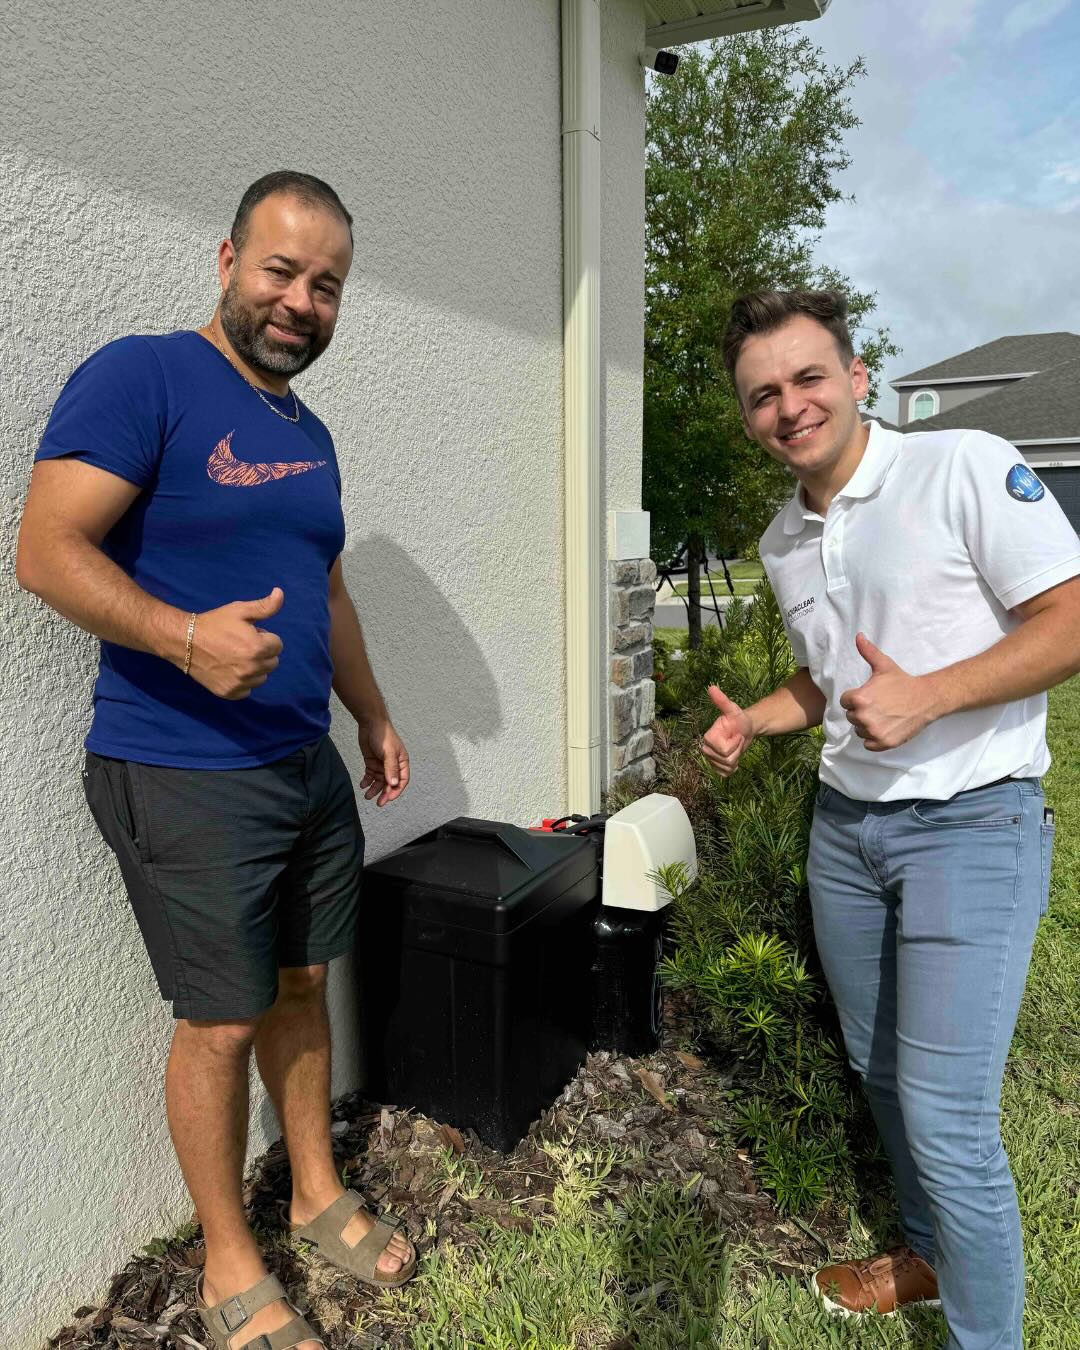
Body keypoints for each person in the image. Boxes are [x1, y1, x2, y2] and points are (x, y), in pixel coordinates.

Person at [17, 172, 417, 1350]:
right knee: (220, 1023)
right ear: (228, 259)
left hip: (298, 762)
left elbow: (328, 588)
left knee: (302, 985)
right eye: (281, 271)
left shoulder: (311, 432)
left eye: (326, 285)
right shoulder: (143, 376)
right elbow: (44, 550)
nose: (300, 301)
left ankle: (314, 1192)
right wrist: (185, 638)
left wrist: (373, 711)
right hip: (181, 770)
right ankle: (229, 1263)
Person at [703, 289, 1080, 1350]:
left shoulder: (959, 465)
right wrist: (757, 724)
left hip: (974, 824)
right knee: (879, 1073)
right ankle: (921, 1255)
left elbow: (1070, 615)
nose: (790, 406)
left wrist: (934, 693)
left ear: (859, 377)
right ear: (749, 417)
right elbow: (827, 683)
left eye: (808, 377)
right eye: (763, 394)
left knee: (952, 1121)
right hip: (849, 836)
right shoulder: (785, 541)